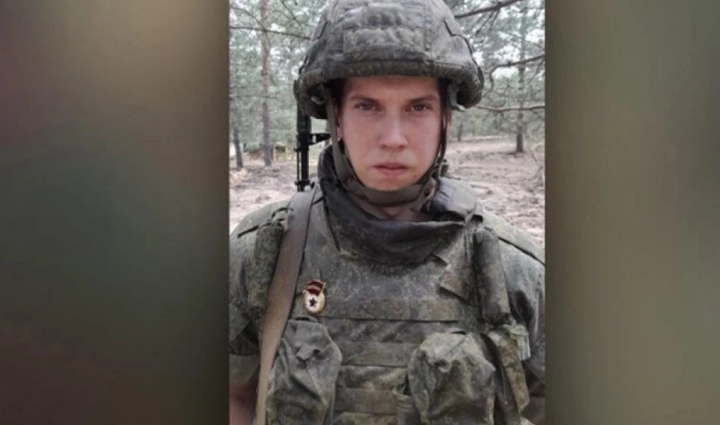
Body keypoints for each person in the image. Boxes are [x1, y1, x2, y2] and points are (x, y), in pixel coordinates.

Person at [229, 0, 545, 423]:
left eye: (418, 107)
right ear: (337, 118)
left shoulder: (513, 273)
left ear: (445, 119)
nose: (393, 138)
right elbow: (233, 397)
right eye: (367, 106)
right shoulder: (264, 255)